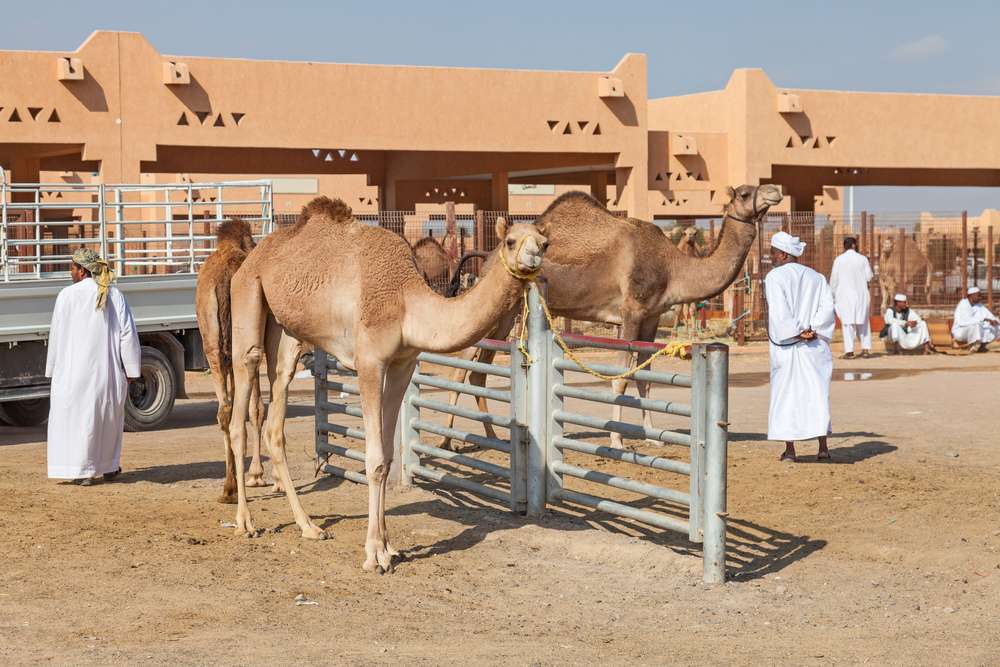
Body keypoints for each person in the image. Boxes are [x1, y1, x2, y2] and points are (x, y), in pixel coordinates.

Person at [46, 248, 141, 485]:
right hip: (105, 372)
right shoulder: (114, 295)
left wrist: (52, 370)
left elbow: (56, 336)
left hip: (71, 373)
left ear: (81, 270)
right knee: (106, 421)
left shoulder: (66, 296)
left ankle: (83, 471)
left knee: (77, 422)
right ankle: (107, 466)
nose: (71, 272)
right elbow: (127, 335)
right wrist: (131, 369)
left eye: (72, 267)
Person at [765, 231, 837, 462]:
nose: (771, 257)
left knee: (787, 396)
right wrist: (813, 329)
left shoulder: (775, 277)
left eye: (773, 253)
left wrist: (797, 331)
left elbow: (779, 311)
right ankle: (823, 448)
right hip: (815, 346)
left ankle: (791, 450)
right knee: (817, 395)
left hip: (789, 346)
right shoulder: (817, 277)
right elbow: (827, 307)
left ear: (784, 255)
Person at [829, 237, 873, 359]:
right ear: (854, 245)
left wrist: (832, 294)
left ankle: (849, 352)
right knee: (863, 322)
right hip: (861, 295)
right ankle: (865, 350)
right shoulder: (862, 259)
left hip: (844, 296)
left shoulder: (839, 260)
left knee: (847, 323)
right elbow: (869, 277)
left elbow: (834, 280)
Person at [951, 286, 998, 352]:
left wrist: (994, 320)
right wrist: (984, 320)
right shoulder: (963, 304)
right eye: (978, 295)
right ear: (971, 295)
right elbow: (964, 321)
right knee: (976, 325)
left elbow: (989, 316)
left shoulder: (979, 305)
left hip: (977, 328)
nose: (980, 297)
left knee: (997, 325)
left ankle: (982, 346)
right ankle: (974, 346)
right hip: (961, 331)